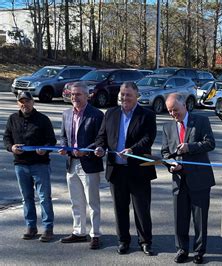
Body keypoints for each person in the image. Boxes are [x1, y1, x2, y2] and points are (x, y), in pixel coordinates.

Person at [94, 82, 157, 256]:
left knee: (141, 209)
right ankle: (123, 240)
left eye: (128, 94)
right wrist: (100, 148)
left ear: (137, 96)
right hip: (117, 170)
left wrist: (132, 150)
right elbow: (102, 136)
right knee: (120, 208)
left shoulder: (147, 115)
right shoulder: (111, 113)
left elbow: (148, 139)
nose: (124, 97)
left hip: (139, 170)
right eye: (122, 94)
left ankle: (145, 241)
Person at [162, 93, 215, 264]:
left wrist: (189, 147)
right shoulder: (168, 127)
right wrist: (171, 165)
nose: (173, 114)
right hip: (179, 180)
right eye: (170, 111)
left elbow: (210, 143)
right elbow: (165, 152)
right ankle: (182, 249)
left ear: (184, 105)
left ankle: (199, 251)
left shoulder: (201, 121)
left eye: (175, 110)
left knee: (199, 219)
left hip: (199, 179)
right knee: (180, 219)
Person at [3, 91, 57, 242]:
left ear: (33, 102)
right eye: (21, 101)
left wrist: (45, 148)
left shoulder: (43, 119)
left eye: (27, 101)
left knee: (44, 197)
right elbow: (6, 138)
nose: (24, 104)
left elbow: (51, 140)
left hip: (40, 164)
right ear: (17, 103)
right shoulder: (13, 119)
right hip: (21, 165)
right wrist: (11, 147)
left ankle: (48, 228)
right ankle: (31, 226)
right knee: (26, 198)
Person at [58, 82, 104, 249]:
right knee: (76, 201)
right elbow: (63, 136)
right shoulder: (66, 113)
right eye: (72, 95)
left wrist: (87, 151)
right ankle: (79, 232)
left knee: (93, 202)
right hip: (71, 164)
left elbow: (100, 139)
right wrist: (63, 147)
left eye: (78, 94)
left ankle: (95, 234)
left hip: (89, 164)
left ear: (87, 95)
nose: (74, 97)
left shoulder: (97, 115)